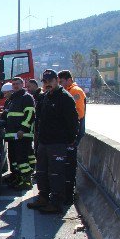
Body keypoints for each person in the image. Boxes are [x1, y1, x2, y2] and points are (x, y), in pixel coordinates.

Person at [27, 70, 78, 214]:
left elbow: (73, 122)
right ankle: (43, 197)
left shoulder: (65, 98)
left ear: (57, 80)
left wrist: (69, 140)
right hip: (43, 142)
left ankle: (56, 203)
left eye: (50, 81)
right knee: (42, 172)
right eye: (44, 81)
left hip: (58, 143)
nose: (47, 84)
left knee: (56, 174)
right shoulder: (45, 97)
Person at [1, 77, 36, 190]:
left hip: (22, 135)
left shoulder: (26, 98)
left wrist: (23, 129)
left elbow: (30, 114)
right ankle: (18, 178)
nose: (15, 86)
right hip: (12, 135)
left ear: (22, 84)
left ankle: (26, 181)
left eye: (17, 84)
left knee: (22, 159)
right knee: (14, 159)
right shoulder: (13, 99)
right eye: (14, 84)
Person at [58, 70, 86, 204]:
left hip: (74, 132)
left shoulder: (75, 91)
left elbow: (78, 113)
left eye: (61, 82)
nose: (60, 84)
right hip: (69, 131)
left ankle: (68, 194)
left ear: (68, 80)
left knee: (69, 164)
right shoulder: (69, 91)